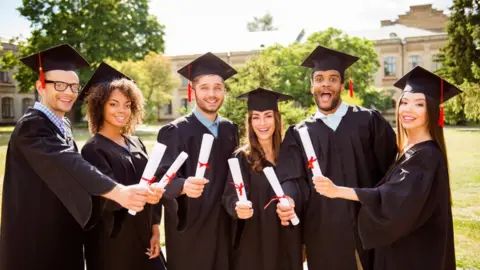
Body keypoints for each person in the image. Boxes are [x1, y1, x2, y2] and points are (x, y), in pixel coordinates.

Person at [0, 44, 161, 270]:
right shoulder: (32, 125)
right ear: (41, 86)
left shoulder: (61, 124)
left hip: (61, 236)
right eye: (59, 84)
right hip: (36, 241)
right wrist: (118, 191)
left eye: (74, 86)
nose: (68, 92)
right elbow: (69, 163)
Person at [315, 65, 459, 270]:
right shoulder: (409, 149)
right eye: (405, 102)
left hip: (414, 254)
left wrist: (338, 191)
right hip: (402, 249)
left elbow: (391, 199)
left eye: (419, 104)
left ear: (433, 110)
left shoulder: (426, 156)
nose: (408, 109)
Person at [275, 45, 397, 270]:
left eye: (333, 79)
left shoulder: (369, 122)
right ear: (312, 86)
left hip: (368, 231)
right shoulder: (299, 133)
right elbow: (293, 179)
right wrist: (289, 199)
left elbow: (391, 172)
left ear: (343, 84)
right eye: (319, 78)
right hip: (323, 235)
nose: (325, 84)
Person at [79, 62, 167, 270]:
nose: (122, 110)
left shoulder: (135, 143)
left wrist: (155, 228)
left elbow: (150, 183)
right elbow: (105, 201)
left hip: (144, 235)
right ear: (99, 105)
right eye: (113, 104)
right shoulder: (93, 150)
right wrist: (145, 195)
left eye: (127, 105)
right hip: (113, 242)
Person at [157, 52, 239, 270]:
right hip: (191, 231)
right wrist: (183, 185)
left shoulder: (229, 129)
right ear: (192, 91)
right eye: (204, 87)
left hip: (225, 226)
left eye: (218, 87)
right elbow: (160, 179)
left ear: (224, 90)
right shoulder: (175, 131)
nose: (212, 94)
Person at [222, 88, 303, 270]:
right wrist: (237, 208)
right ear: (250, 122)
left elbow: (303, 190)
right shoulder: (241, 158)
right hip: (254, 243)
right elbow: (229, 196)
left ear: (276, 118)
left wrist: (293, 200)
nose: (262, 123)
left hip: (287, 240)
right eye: (256, 117)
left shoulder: (291, 154)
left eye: (267, 116)